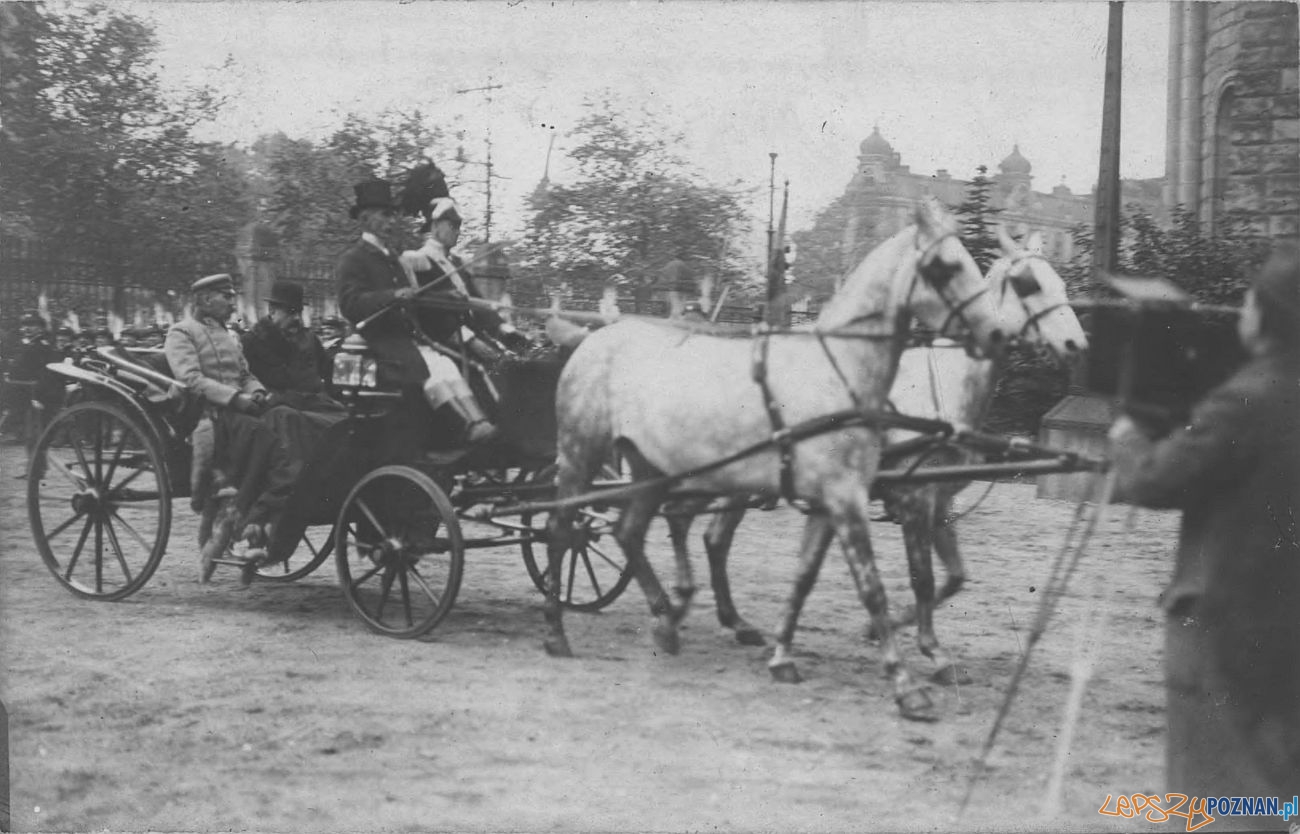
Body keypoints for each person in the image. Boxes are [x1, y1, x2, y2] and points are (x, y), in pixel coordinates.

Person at [1107, 243, 1300, 807]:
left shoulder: (1247, 399)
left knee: (1222, 801)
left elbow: (1153, 481)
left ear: (1266, 316)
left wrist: (1127, 435)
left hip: (1231, 629)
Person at [337, 173, 526, 446]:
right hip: (380, 341)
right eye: (384, 215)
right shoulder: (353, 259)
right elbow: (350, 304)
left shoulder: (393, 258)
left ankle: (478, 423)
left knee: (445, 365)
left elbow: (415, 298)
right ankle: (463, 427)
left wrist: (438, 296)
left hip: (407, 339)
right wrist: (393, 295)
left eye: (392, 215)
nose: (391, 221)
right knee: (429, 368)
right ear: (365, 218)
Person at [165, 273, 310, 565]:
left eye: (232, 295)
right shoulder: (181, 333)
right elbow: (190, 379)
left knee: (285, 423)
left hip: (240, 411)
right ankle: (249, 524)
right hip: (209, 415)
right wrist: (234, 398)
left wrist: (256, 392)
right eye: (226, 296)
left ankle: (259, 521)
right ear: (206, 300)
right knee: (269, 440)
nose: (233, 302)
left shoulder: (230, 336)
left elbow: (245, 375)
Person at [241, 280, 340, 412]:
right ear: (272, 311)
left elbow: (329, 372)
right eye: (291, 312)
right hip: (279, 412)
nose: (297, 318)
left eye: (299, 312)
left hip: (318, 406)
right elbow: (246, 381)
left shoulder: (309, 339)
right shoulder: (252, 342)